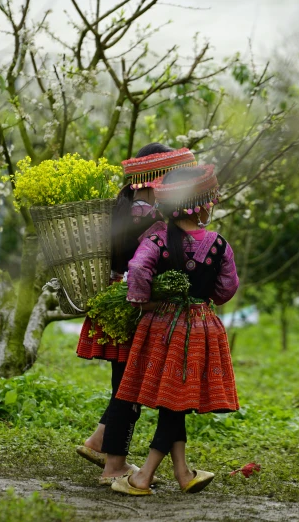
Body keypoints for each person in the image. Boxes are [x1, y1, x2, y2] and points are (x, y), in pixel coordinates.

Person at [107, 164, 240, 495]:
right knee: (175, 401)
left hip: (160, 326)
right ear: (202, 203)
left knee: (173, 401)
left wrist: (142, 302)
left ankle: (169, 475)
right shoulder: (218, 244)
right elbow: (226, 289)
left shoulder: (156, 237)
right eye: (212, 199)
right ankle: (158, 476)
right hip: (198, 329)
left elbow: (137, 267)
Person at [75, 145, 198, 484]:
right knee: (127, 391)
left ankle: (99, 443)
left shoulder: (121, 206)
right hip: (131, 307)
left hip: (114, 302)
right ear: (151, 180)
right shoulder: (148, 215)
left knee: (122, 386)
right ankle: (114, 467)